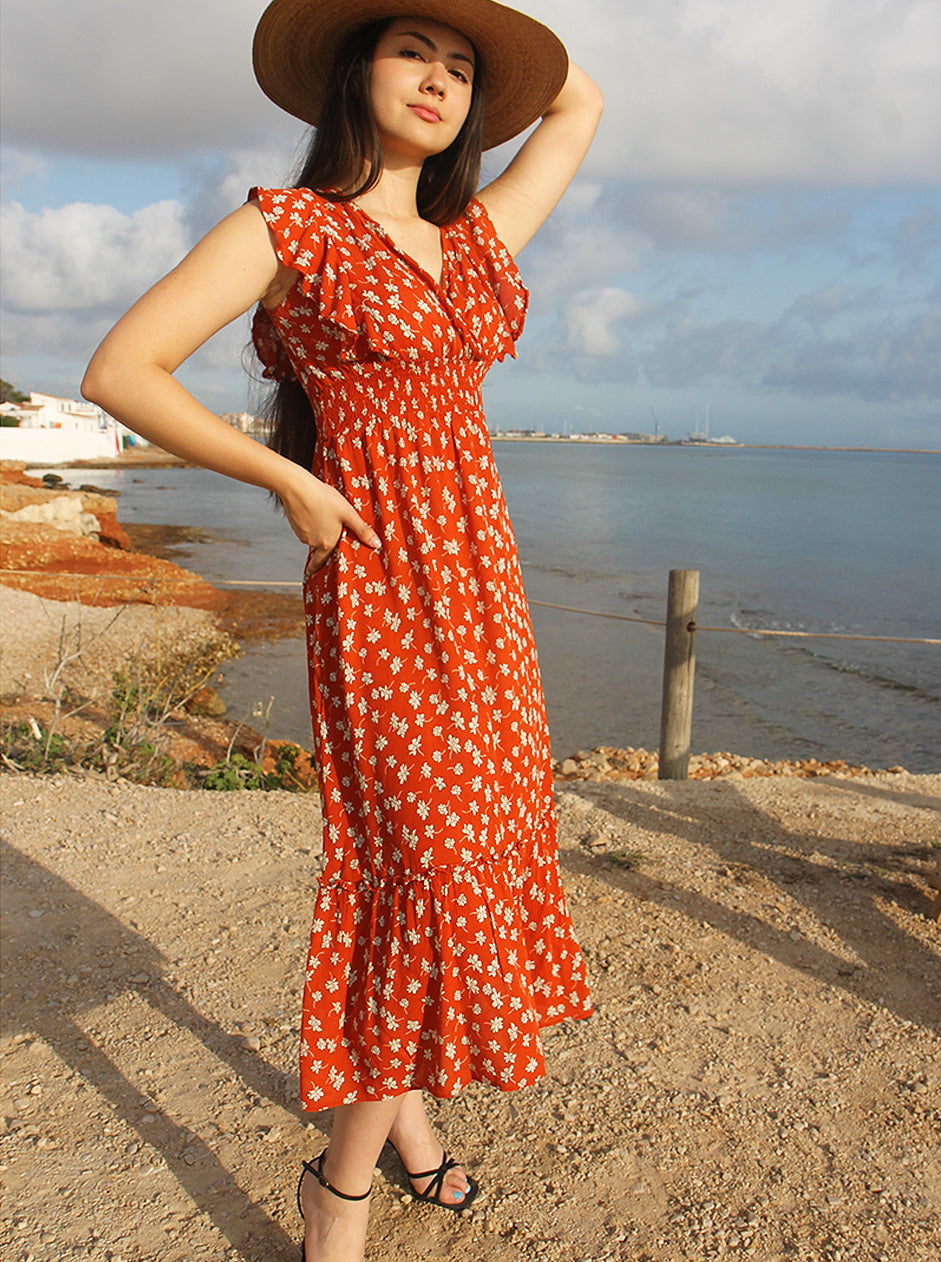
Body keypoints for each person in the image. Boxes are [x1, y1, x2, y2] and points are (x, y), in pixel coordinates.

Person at [82, 2, 603, 1258]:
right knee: (413, 870)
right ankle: (342, 1184)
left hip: (482, 591)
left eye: (463, 66)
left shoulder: (468, 238)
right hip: (377, 592)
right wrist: (291, 482)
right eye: (412, 49)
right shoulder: (290, 228)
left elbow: (578, 107)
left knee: (471, 849)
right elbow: (124, 371)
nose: (438, 80)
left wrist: (516, 48)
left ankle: (407, 1120)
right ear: (350, 67)